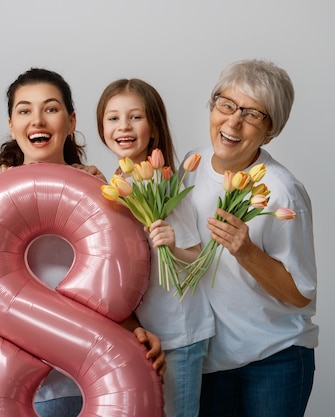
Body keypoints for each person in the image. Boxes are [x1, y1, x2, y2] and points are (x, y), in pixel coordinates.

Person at [0, 68, 165, 417]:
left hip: (102, 384)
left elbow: (113, 291)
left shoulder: (104, 195)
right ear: (11, 124)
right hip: (11, 389)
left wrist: (136, 334)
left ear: (71, 121)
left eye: (50, 108)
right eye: (24, 110)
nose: (37, 119)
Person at [182, 59, 318, 417]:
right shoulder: (189, 167)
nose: (233, 121)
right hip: (210, 359)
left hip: (274, 359)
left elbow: (301, 295)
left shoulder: (282, 192)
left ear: (271, 132)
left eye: (253, 114)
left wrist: (246, 251)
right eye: (225, 104)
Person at [96, 78, 215, 417]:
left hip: (179, 335)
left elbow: (198, 261)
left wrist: (173, 245)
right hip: (142, 333)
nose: (123, 127)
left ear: (154, 128)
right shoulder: (115, 183)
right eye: (113, 118)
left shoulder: (162, 186)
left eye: (135, 117)